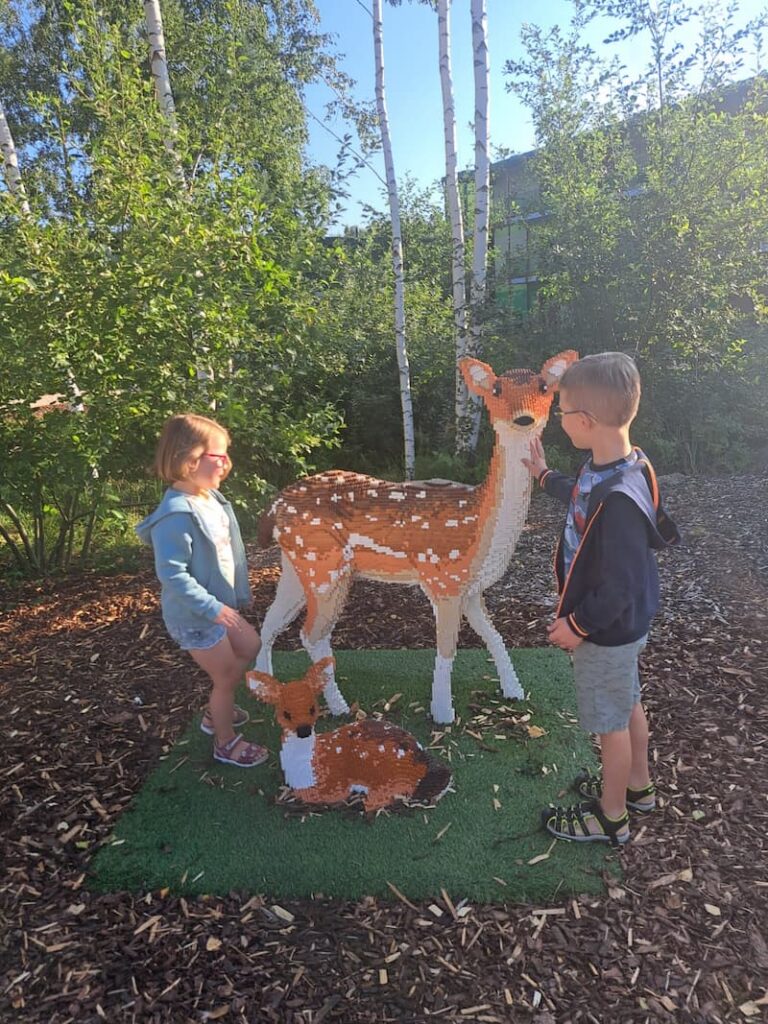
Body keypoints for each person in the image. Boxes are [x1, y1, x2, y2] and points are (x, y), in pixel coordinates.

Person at [522, 352, 678, 846]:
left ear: (584, 422)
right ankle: (638, 788)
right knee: (627, 701)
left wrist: (579, 626)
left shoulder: (620, 503)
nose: (561, 421)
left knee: (609, 723)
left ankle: (612, 817)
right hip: (624, 627)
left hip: (607, 630)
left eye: (564, 412)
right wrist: (546, 477)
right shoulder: (623, 465)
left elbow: (621, 585)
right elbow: (581, 493)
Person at [136, 414, 267, 768]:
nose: (228, 463)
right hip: (195, 615)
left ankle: (215, 713)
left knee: (251, 644)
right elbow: (173, 576)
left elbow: (225, 553)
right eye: (218, 456)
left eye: (227, 455)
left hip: (217, 608)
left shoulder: (211, 500)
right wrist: (213, 608)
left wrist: (235, 595)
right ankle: (224, 741)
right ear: (189, 459)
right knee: (224, 678)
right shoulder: (176, 515)